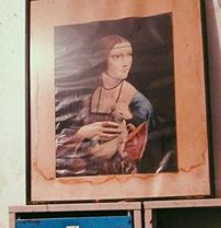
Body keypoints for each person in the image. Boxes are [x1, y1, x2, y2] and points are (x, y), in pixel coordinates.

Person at [55, 34, 153, 176]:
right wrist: (80, 133)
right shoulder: (81, 93)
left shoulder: (140, 105)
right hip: (77, 175)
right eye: (117, 57)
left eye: (129, 55)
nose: (125, 63)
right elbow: (53, 148)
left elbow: (135, 154)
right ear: (102, 58)